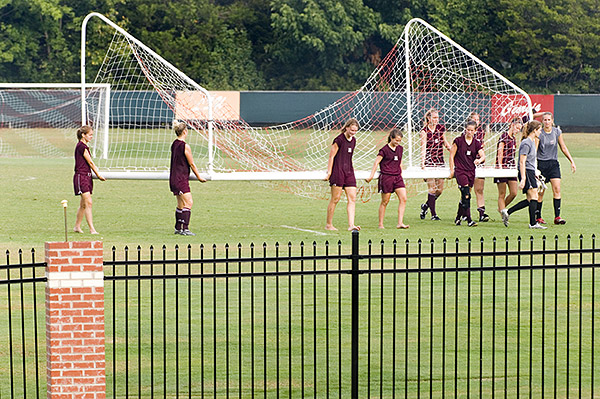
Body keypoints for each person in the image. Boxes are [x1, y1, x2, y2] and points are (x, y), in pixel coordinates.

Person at [535, 112, 576, 225]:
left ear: (552, 121)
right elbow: (535, 150)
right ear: (542, 121)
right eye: (545, 120)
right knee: (541, 191)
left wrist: (571, 161)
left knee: (557, 189)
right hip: (541, 164)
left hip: (553, 164)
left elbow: (563, 147)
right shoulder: (539, 133)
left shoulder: (557, 132)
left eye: (549, 120)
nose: (547, 122)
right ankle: (538, 217)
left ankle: (557, 217)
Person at [504, 120, 547, 229]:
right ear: (534, 130)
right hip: (526, 171)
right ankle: (533, 223)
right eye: (539, 130)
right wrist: (523, 178)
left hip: (530, 171)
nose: (540, 132)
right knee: (534, 196)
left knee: (530, 199)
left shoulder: (532, 142)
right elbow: (522, 161)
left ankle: (508, 212)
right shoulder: (526, 143)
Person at [366, 128, 409, 229]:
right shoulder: (384, 150)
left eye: (400, 141)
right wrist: (371, 175)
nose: (398, 143)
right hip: (387, 177)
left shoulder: (400, 149)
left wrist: (401, 172)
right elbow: (376, 162)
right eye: (396, 140)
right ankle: (380, 224)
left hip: (397, 177)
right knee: (385, 201)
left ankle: (400, 223)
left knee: (403, 198)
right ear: (391, 138)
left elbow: (400, 161)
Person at [170, 122, 206, 236]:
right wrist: (199, 177)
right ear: (185, 131)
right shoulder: (184, 146)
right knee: (189, 202)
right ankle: (185, 229)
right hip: (181, 179)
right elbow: (192, 163)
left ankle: (178, 228)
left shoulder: (174, 144)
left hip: (174, 178)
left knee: (180, 203)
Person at [325, 118, 361, 231]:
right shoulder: (338, 140)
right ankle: (328, 224)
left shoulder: (354, 140)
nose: (353, 133)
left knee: (352, 198)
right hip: (338, 172)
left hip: (349, 172)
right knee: (335, 199)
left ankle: (351, 225)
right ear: (347, 128)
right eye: (352, 130)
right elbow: (331, 156)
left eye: (355, 131)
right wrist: (329, 172)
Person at [449, 120, 485, 227]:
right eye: (467, 130)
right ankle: (469, 219)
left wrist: (479, 160)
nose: (469, 132)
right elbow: (451, 155)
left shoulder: (476, 143)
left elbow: (483, 155)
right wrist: (452, 170)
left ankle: (457, 218)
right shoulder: (458, 141)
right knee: (466, 193)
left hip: (471, 171)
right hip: (460, 171)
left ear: (475, 131)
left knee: (465, 196)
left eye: (471, 130)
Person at [73, 125, 106, 234]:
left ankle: (77, 227)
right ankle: (92, 229)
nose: (92, 137)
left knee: (83, 204)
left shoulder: (84, 146)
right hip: (81, 177)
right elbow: (90, 162)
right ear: (83, 135)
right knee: (89, 203)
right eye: (90, 135)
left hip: (87, 177)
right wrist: (98, 174)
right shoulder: (82, 147)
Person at [419, 108, 451, 221]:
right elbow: (423, 147)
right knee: (432, 189)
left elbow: (445, 142)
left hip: (440, 162)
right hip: (429, 162)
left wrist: (453, 150)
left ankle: (425, 206)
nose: (436, 120)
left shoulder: (441, 129)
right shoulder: (424, 132)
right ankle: (433, 214)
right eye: (434, 117)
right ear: (429, 118)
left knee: (439, 190)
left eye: (437, 117)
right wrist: (423, 163)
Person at [495, 117, 521, 226]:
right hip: (503, 167)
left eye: (520, 128)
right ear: (512, 125)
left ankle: (501, 208)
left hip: (511, 167)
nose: (518, 130)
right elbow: (500, 152)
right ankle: (503, 215)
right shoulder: (504, 137)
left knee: (514, 192)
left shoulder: (513, 139)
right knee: (502, 193)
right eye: (517, 127)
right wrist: (500, 166)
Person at [468, 111, 490, 222]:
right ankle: (463, 213)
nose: (477, 121)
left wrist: (481, 159)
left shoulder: (481, 132)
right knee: (467, 190)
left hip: (479, 163)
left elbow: (482, 148)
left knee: (480, 189)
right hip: (468, 164)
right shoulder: (465, 134)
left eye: (478, 119)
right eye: (474, 119)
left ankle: (482, 214)